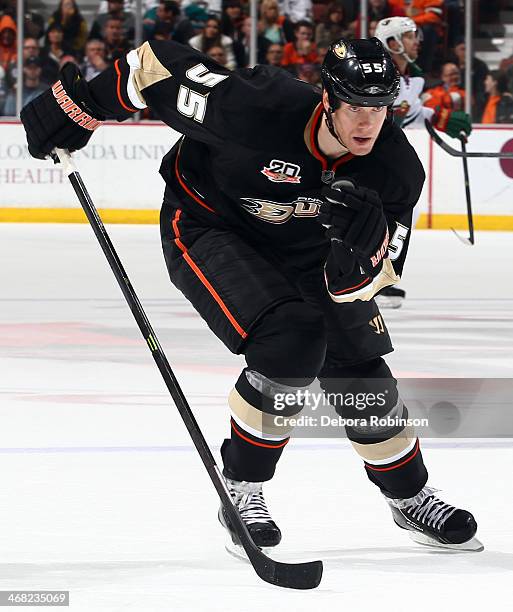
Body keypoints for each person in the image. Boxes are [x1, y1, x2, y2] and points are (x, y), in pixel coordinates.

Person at [20, 36, 481, 555]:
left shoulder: (395, 171)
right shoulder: (253, 108)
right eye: (354, 106)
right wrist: (80, 105)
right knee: (290, 343)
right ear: (327, 98)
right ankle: (242, 488)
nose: (365, 123)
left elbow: (373, 281)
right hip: (208, 224)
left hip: (307, 252)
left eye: (378, 109)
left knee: (360, 366)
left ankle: (410, 496)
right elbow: (155, 65)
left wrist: (357, 257)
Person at [375, 17, 471, 308]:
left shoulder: (410, 79)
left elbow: (410, 112)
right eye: (409, 36)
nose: (417, 41)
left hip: (381, 155)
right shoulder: (378, 74)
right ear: (392, 43)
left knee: (402, 207)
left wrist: (445, 119)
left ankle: (380, 277)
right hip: (357, 155)